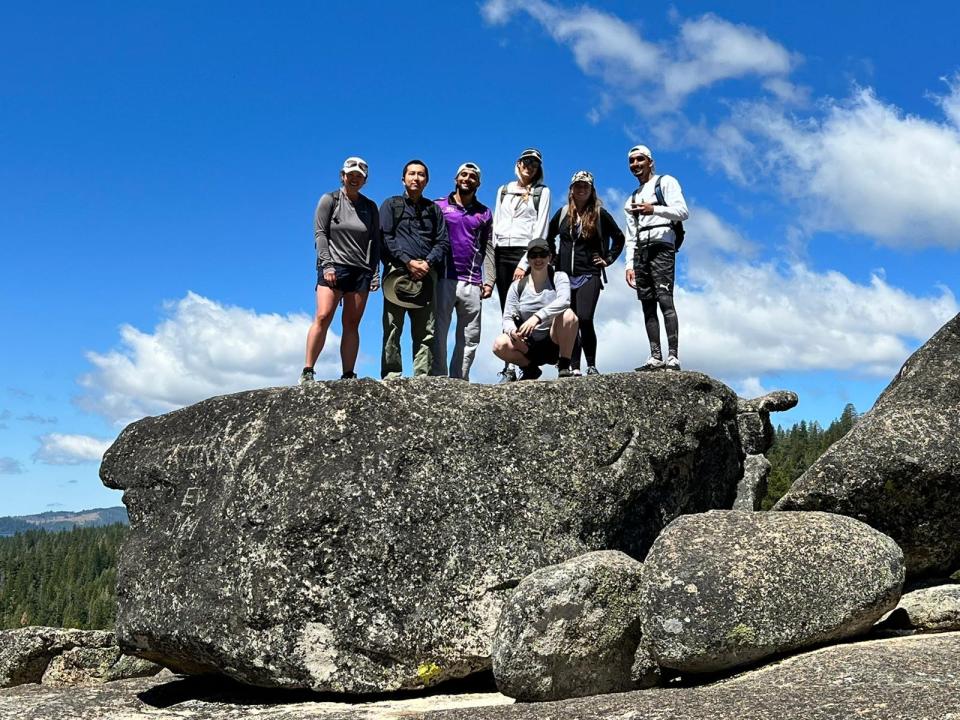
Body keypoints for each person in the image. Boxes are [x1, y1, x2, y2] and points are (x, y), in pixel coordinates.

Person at [300, 156, 380, 385]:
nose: (354, 179)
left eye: (359, 176)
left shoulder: (369, 207)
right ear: (342, 176)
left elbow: (375, 240)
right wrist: (326, 264)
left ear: (364, 180)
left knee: (352, 323)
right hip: (333, 267)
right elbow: (320, 234)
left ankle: (348, 373)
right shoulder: (330, 200)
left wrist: (374, 272)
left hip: (360, 270)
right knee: (324, 316)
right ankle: (308, 369)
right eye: (350, 175)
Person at [543, 170, 624, 376]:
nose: (581, 189)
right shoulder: (562, 213)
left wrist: (608, 259)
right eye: (577, 186)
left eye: (585, 186)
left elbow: (619, 237)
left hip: (590, 274)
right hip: (563, 276)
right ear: (571, 190)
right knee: (571, 320)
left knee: (585, 318)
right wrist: (552, 256)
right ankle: (573, 366)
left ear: (591, 190)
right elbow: (548, 237)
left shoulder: (599, 214)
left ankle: (591, 365)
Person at [379, 159, 450, 378]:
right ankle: (392, 374)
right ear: (403, 179)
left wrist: (427, 263)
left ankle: (423, 376)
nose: (416, 178)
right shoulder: (391, 205)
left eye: (420, 175)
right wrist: (408, 261)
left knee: (425, 330)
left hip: (426, 275)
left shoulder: (433, 209)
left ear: (426, 181)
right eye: (411, 174)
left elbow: (442, 242)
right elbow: (385, 237)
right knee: (392, 327)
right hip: (397, 273)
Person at [624, 145, 689, 371]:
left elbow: (683, 212)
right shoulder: (631, 199)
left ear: (650, 161)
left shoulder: (666, 182)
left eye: (640, 159)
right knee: (647, 304)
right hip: (641, 249)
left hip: (662, 246)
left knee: (664, 299)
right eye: (632, 161)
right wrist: (629, 265)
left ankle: (673, 356)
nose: (635, 164)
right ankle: (655, 356)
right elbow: (630, 235)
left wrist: (655, 209)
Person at [491, 148, 552, 382]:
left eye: (534, 164)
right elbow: (497, 224)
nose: (529, 166)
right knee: (506, 309)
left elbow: (541, 229)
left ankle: (524, 362)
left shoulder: (541, 192)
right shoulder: (504, 190)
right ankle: (511, 366)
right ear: (518, 163)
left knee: (522, 307)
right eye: (526, 162)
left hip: (523, 251)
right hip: (501, 252)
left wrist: (525, 261)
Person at [430, 162, 494, 381]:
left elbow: (488, 247)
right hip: (443, 278)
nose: (467, 179)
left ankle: (460, 380)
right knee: (439, 332)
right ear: (456, 179)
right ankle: (439, 377)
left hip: (472, 280)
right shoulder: (438, 205)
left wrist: (489, 280)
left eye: (472, 176)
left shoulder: (484, 213)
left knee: (470, 336)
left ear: (478, 182)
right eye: (463, 175)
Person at [492, 239, 578, 380]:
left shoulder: (559, 277)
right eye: (533, 255)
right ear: (528, 259)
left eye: (542, 254)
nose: (538, 259)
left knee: (569, 316)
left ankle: (563, 365)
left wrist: (537, 317)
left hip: (553, 342)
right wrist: (512, 331)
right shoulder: (517, 286)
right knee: (499, 344)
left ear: (549, 257)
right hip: (527, 345)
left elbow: (565, 301)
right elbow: (507, 317)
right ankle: (530, 369)